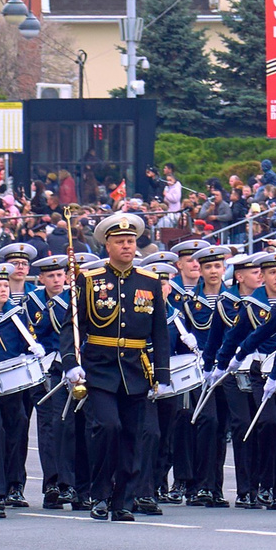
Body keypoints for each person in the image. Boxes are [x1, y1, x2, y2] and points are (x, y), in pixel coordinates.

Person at [64, 211, 170, 521]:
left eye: (130, 241)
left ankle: (124, 499)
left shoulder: (149, 282)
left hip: (136, 368)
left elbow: (160, 332)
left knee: (132, 437)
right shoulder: (89, 279)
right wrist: (72, 362)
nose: (126, 246)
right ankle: (100, 494)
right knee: (108, 427)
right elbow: (74, 325)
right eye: (120, 241)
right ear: (107, 246)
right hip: (100, 367)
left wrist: (162, 374)